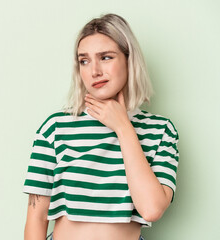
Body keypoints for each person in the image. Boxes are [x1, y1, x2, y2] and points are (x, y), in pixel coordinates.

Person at [23, 13, 179, 240]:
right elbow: (36, 219)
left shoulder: (160, 130)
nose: (94, 71)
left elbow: (151, 209)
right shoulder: (56, 128)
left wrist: (124, 128)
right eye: (84, 60)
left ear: (129, 59)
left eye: (106, 57)